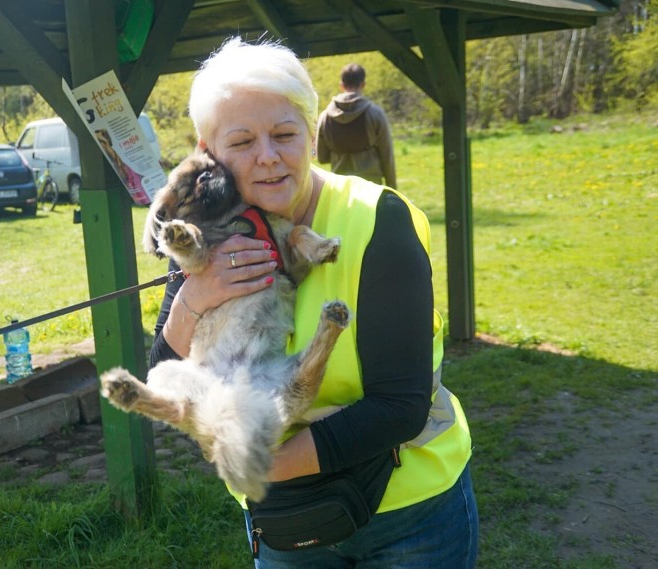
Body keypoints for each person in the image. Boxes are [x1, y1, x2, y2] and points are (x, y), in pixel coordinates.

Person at [148, 37, 477, 568]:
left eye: (284, 134)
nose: (268, 157)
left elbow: (401, 407)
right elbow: (164, 372)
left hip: (409, 513)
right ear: (208, 153)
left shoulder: (380, 222)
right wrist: (195, 297)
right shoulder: (206, 232)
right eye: (242, 142)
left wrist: (261, 463)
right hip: (287, 522)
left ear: (312, 135)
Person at [315, 63, 397, 189]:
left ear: (341, 85)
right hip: (371, 186)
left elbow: (322, 157)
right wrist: (392, 188)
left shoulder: (325, 116)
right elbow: (387, 154)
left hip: (340, 187)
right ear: (363, 84)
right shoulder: (375, 113)